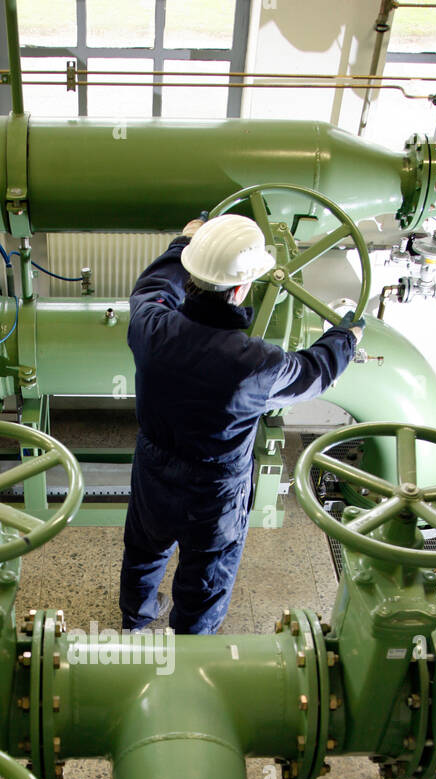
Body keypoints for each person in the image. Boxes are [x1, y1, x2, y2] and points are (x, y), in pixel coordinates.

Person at [120, 213, 364, 634]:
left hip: (153, 469)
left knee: (144, 549)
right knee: (206, 576)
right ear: (242, 287)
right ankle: (192, 650)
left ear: (192, 274)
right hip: (213, 492)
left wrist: (184, 243)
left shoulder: (149, 326)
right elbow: (314, 372)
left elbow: (152, 287)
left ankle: (135, 620)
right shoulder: (258, 364)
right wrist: (346, 337)